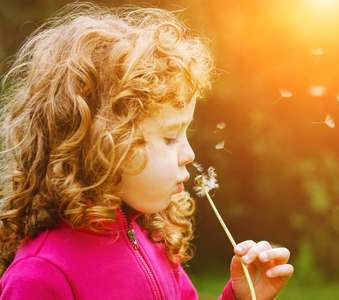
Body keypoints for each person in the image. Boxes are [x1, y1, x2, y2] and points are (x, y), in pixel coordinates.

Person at [0, 2, 293, 299]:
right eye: (169, 138)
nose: (189, 154)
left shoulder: (154, 240)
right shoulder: (41, 276)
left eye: (184, 132)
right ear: (104, 145)